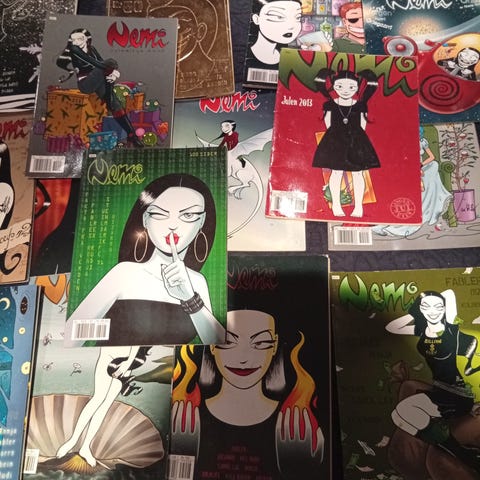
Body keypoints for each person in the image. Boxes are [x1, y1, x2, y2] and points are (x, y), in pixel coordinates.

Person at [66, 173, 225, 347]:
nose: (172, 225)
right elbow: (71, 335)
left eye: (188, 215)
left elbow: (220, 347)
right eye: (159, 214)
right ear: (145, 219)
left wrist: (189, 298)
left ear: (202, 221)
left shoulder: (197, 282)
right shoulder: (124, 273)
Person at [171, 310, 324, 479]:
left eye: (261, 342)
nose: (243, 359)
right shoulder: (186, 418)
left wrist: (300, 470)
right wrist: (181, 456)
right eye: (228, 342)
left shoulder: (296, 424)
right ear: (212, 345)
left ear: (274, 345)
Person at [386, 290, 480, 472]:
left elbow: (450, 293)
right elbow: (393, 327)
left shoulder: (449, 329)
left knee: (403, 411)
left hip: (456, 393)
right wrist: (418, 311)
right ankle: (462, 453)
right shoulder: (422, 331)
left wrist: (430, 301)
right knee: (398, 415)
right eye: (426, 307)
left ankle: (459, 453)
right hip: (440, 392)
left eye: (438, 307)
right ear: (420, 309)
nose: (433, 311)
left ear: (444, 309)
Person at [56, 345, 150, 467]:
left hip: (127, 359)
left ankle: (85, 446)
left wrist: (128, 363)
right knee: (98, 398)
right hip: (110, 354)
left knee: (106, 404)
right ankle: (72, 441)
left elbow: (138, 340)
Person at [56, 28, 143, 147]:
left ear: (86, 39)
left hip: (98, 79)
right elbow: (95, 63)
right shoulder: (74, 49)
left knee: (115, 104)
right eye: (73, 39)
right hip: (86, 83)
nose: (76, 42)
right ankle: (109, 97)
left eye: (79, 38)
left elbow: (101, 62)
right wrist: (113, 71)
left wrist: (112, 74)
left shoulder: (92, 49)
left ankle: (131, 135)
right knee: (111, 62)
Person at [312, 68, 380, 217]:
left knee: (358, 174)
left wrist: (355, 141)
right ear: (334, 86)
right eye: (340, 86)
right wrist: (337, 141)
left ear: (357, 88)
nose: (345, 90)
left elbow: (362, 126)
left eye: (351, 87)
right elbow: (328, 125)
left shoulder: (360, 105)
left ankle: (358, 207)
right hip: (335, 142)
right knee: (336, 173)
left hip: (356, 141)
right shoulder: (330, 105)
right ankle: (336, 206)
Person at [372, 126, 451, 237]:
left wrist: (420, 165)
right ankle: (386, 222)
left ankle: (426, 206)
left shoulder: (422, 142)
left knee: (434, 165)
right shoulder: (400, 142)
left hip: (419, 168)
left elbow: (431, 157)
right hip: (404, 169)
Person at [249, 0, 303, 65]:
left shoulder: (291, 56)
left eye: (297, 17)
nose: (291, 26)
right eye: (279, 17)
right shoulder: (244, 55)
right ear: (256, 19)